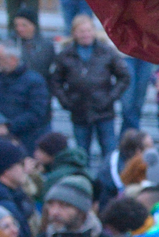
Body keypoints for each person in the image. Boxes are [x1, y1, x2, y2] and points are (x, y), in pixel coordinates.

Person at [49, 15, 131, 158]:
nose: (85, 35)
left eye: (88, 31)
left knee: (109, 151)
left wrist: (110, 97)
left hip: (104, 110)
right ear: (74, 33)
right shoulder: (65, 55)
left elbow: (124, 76)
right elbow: (56, 81)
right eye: (81, 31)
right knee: (81, 152)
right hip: (79, 110)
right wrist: (66, 101)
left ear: (93, 31)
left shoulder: (107, 52)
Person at [0, 40, 50, 147]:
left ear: (13, 60)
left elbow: (36, 113)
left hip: (25, 140)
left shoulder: (34, 81)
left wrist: (8, 126)